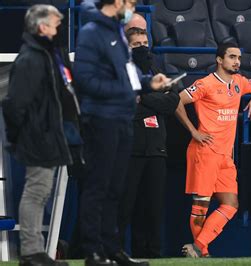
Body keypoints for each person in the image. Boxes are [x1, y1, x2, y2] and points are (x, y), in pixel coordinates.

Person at [73, 0, 170, 265]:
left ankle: (112, 249)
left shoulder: (117, 31)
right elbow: (84, 79)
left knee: (115, 189)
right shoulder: (92, 32)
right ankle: (92, 251)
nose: (132, 6)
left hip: (122, 120)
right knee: (98, 187)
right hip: (101, 119)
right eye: (130, 2)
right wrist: (124, 92)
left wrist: (149, 82)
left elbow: (128, 73)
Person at [2, 4, 79, 266]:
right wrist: (22, 136)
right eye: (56, 25)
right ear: (42, 27)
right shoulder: (31, 58)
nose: (59, 29)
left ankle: (35, 252)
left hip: (48, 135)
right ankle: (31, 253)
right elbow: (15, 105)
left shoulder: (47, 54)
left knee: (41, 192)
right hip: (37, 137)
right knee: (36, 192)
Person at [176, 42, 251, 258]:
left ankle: (198, 247)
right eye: (232, 57)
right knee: (201, 205)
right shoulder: (205, 84)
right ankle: (202, 251)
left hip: (225, 155)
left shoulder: (239, 82)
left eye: (238, 57)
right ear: (219, 59)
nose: (237, 61)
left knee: (231, 204)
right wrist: (193, 131)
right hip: (205, 151)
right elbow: (176, 101)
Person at [117, 26, 179, 258]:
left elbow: (172, 102)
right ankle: (118, 253)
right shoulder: (122, 69)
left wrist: (143, 97)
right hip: (129, 149)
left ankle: (152, 255)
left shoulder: (155, 68)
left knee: (153, 209)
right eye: (136, 45)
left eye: (145, 44)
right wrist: (155, 100)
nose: (142, 48)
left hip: (156, 149)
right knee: (124, 208)